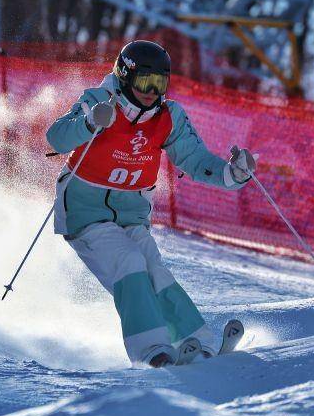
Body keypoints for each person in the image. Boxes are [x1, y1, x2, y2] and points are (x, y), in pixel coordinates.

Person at [46, 40, 256, 368]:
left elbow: (194, 157)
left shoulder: (168, 117)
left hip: (132, 216)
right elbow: (56, 137)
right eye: (145, 82)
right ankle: (150, 351)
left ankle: (198, 343)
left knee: (154, 269)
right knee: (129, 262)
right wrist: (88, 124)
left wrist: (232, 174)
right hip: (85, 213)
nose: (151, 91)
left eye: (160, 84)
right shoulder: (101, 101)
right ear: (126, 76)